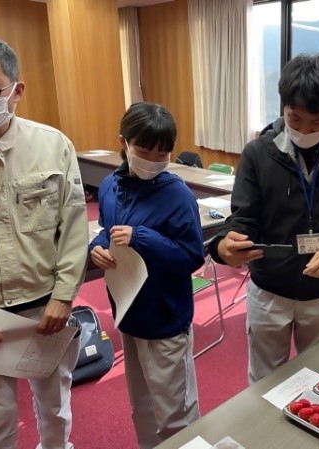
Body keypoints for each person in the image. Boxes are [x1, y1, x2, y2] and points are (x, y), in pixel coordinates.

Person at [209, 54, 319, 384]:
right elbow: (243, 217)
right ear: (284, 107)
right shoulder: (259, 152)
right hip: (269, 291)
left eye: (316, 122)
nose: (304, 130)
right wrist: (225, 244)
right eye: (295, 119)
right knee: (264, 382)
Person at [89, 102, 205, 449]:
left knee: (175, 415)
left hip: (167, 320)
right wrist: (96, 245)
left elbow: (191, 257)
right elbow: (105, 229)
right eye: (144, 150)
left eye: (163, 152)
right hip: (128, 312)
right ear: (123, 142)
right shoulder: (110, 185)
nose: (153, 160)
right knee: (141, 408)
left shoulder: (178, 195)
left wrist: (142, 237)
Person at [0, 38, 88, 449]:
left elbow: (74, 227)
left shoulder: (53, 145)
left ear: (17, 91)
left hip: (44, 307)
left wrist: (64, 296)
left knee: (54, 405)